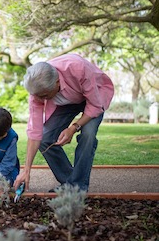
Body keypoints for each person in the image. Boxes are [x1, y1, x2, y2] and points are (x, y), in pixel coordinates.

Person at [14, 53, 114, 192]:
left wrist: (73, 127)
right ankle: (71, 184)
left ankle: (78, 188)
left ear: (56, 82)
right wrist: (26, 170)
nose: (39, 99)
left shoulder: (77, 68)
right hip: (67, 102)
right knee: (45, 137)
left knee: (88, 135)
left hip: (94, 97)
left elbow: (95, 106)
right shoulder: (37, 91)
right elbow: (35, 132)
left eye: (44, 96)